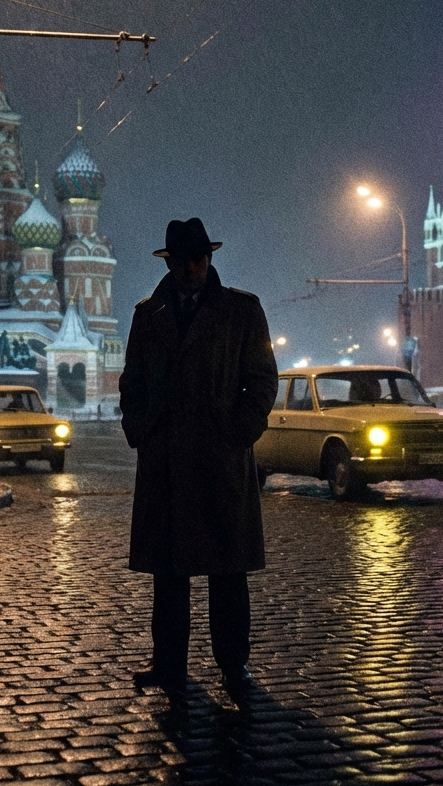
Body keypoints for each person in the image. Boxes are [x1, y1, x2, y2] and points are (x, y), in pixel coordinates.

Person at [119, 217, 278, 705]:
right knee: (169, 575)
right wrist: (141, 429)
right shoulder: (149, 313)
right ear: (170, 263)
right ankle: (169, 664)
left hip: (219, 458)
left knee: (228, 573)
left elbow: (262, 379)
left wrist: (239, 431)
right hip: (165, 460)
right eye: (184, 261)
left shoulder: (241, 310)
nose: (192, 268)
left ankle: (234, 665)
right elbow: (132, 381)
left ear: (209, 259)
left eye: (199, 259)